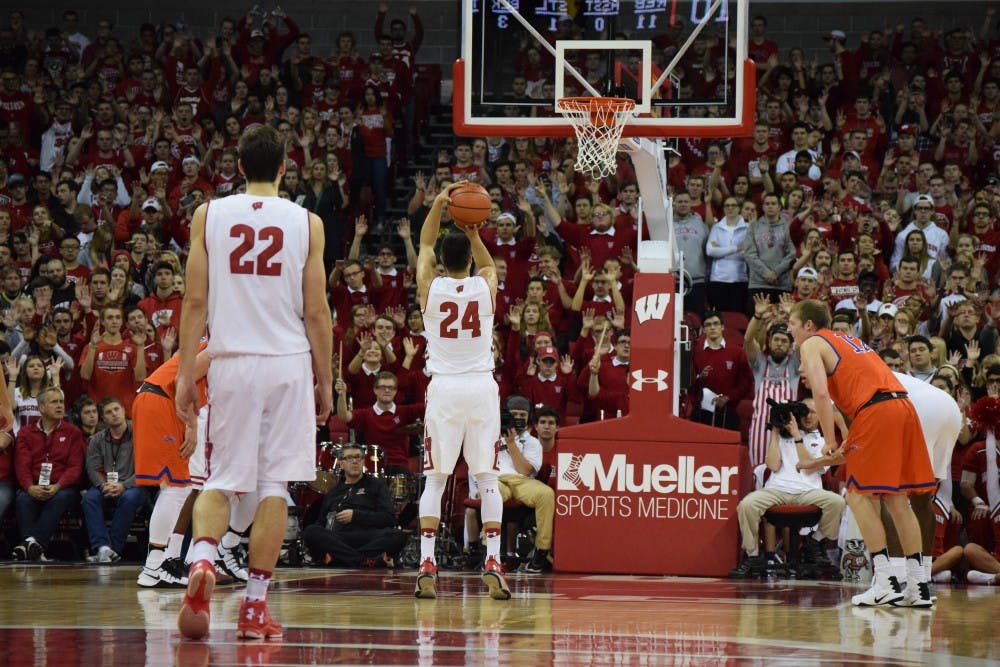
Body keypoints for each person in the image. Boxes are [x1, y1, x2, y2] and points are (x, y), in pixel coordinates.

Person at [174, 125, 333, 641]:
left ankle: (202, 559)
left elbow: (194, 303)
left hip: (232, 362)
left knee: (221, 479)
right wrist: (325, 380)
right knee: (273, 488)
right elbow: (316, 312)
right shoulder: (308, 223)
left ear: (238, 167)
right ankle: (254, 609)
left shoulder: (209, 215)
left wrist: (182, 375)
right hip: (287, 363)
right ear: (285, 168)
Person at [789, 299, 936, 607]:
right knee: (898, 500)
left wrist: (829, 438)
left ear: (808, 326)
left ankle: (885, 581)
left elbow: (820, 393)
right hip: (903, 407)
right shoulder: (848, 339)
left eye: (791, 323)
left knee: (856, 495)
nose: (789, 329)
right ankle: (919, 586)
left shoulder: (812, 344)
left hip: (877, 411)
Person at [413, 181, 509, 601]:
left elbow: (424, 245)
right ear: (468, 259)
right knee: (487, 478)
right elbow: (490, 267)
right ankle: (492, 559)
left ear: (441, 264)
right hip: (481, 387)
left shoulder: (429, 288)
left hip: (445, 388)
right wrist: (474, 233)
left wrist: (437, 205)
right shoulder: (483, 284)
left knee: (435, 480)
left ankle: (428, 562)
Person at [729, 398, 845, 577]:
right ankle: (752, 555)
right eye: (804, 411)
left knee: (837, 502)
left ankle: (814, 540)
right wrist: (775, 433)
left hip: (808, 491)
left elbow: (808, 464)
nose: (808, 416)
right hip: (777, 489)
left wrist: (798, 436)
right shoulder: (784, 437)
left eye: (813, 412)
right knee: (747, 505)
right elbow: (773, 465)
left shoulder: (822, 442)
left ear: (821, 416)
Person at [467, 395, 554, 574]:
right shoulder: (489, 437)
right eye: (514, 414)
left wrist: (511, 443)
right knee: (492, 492)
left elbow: (524, 470)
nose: (519, 418)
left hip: (522, 482)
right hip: (495, 479)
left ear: (529, 417)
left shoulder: (532, 442)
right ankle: (488, 551)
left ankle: (541, 551)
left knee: (546, 494)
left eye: (523, 415)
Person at [301, 442, 406, 567]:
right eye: (350, 458)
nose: (355, 461)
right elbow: (321, 523)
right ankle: (363, 560)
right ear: (341, 463)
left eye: (358, 457)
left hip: (369, 537)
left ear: (363, 461)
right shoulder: (333, 491)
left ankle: (341, 559)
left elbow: (390, 519)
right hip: (340, 539)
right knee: (311, 531)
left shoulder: (377, 486)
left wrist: (356, 515)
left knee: (398, 536)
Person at [12, 387, 87, 561]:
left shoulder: (73, 432)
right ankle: (35, 550)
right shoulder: (25, 432)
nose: (60, 406)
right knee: (23, 499)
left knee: (60, 497)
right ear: (42, 408)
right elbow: (22, 465)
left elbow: (75, 467)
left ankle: (30, 544)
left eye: (61, 402)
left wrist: (57, 486)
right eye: (54, 402)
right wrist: (30, 487)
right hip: (34, 484)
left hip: (63, 487)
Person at [81, 396, 147, 563]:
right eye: (109, 412)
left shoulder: (140, 433)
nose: (114, 414)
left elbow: (146, 467)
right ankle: (102, 547)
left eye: (117, 409)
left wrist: (124, 485)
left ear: (124, 411)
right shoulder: (96, 439)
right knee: (89, 498)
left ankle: (113, 549)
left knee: (129, 497)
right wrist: (104, 486)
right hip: (105, 486)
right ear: (103, 418)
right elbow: (93, 468)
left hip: (133, 486)